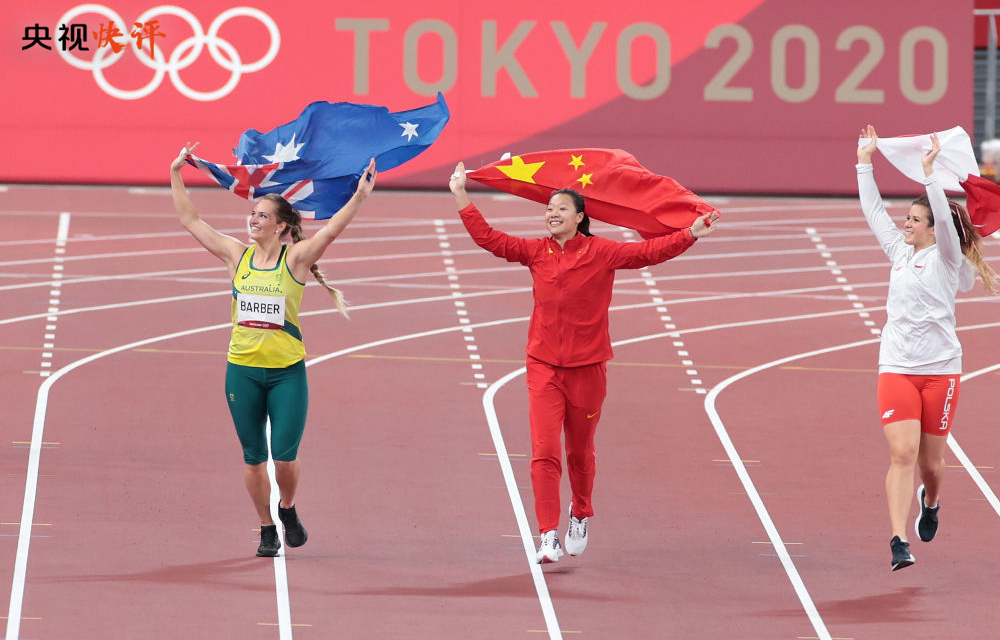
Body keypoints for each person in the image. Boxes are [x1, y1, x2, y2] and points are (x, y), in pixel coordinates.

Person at [448, 162, 720, 563]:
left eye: (561, 209)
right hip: (543, 367)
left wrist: (689, 234)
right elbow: (489, 239)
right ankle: (547, 534)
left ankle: (580, 512)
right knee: (544, 451)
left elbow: (648, 252)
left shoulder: (602, 253)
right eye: (549, 209)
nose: (552, 214)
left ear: (579, 217)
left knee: (579, 452)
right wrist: (461, 194)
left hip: (588, 369)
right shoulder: (535, 252)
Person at [170, 143, 377, 557]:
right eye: (253, 213)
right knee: (253, 459)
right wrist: (176, 173)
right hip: (242, 371)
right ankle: (266, 527)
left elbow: (330, 232)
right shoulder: (236, 255)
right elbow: (191, 220)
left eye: (262, 215)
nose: (253, 219)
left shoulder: (295, 260)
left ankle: (288, 508)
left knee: (283, 458)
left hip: (286, 374)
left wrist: (358, 198)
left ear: (282, 226)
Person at [856, 125, 997, 571]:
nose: (906, 223)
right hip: (897, 366)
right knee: (901, 454)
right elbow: (873, 211)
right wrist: (864, 162)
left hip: (940, 370)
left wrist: (930, 174)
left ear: (934, 230)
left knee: (930, 465)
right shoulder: (899, 253)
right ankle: (899, 541)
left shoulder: (947, 259)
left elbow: (946, 222)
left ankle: (930, 502)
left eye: (915, 220)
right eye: (908, 218)